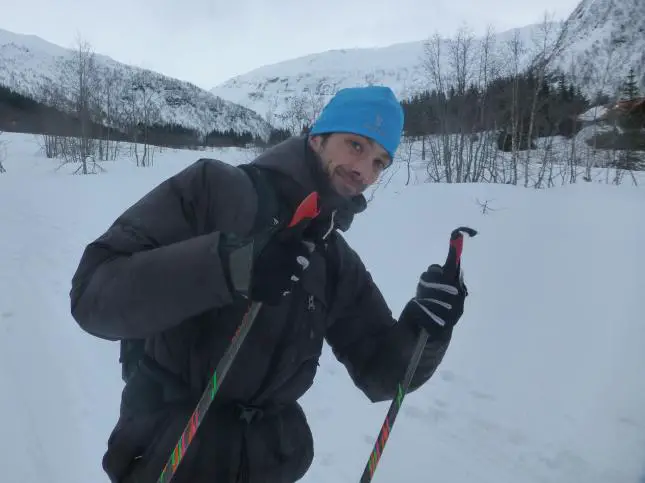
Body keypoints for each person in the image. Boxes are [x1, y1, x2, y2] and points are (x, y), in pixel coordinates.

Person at [69, 85, 469, 483]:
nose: (364, 172)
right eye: (356, 145)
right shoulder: (214, 190)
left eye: (380, 162)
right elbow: (94, 295)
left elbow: (381, 375)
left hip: (269, 464)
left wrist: (426, 329)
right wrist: (230, 266)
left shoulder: (331, 256)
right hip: (170, 454)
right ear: (318, 138)